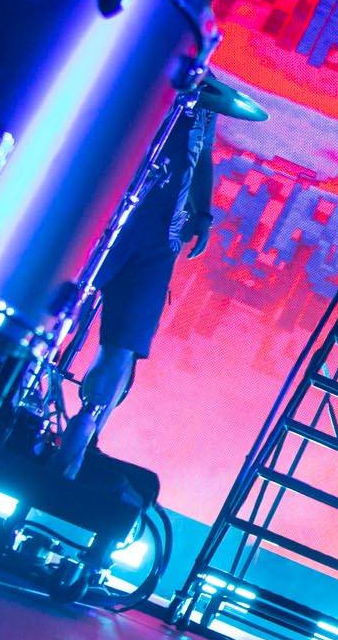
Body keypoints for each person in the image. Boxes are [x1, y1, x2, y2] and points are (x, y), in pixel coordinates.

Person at [56, 89, 220, 476]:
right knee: (58, 308)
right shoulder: (162, 71)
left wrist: (204, 212)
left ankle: (87, 433)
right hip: (112, 214)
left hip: (161, 237)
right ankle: (9, 393)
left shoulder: (207, 101)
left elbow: (203, 156)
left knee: (125, 345)